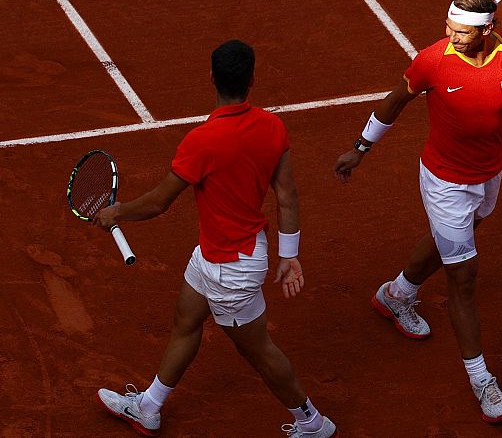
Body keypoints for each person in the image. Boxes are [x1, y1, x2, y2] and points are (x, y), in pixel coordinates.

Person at [334, 0, 502, 423]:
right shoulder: (433, 60)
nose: (450, 37)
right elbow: (394, 102)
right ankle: (481, 379)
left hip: (489, 176)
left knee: (451, 240)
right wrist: (360, 148)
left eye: (461, 32)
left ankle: (396, 295)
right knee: (464, 277)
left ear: (487, 29)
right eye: (449, 28)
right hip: (444, 183)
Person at [93, 40, 338, 438]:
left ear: (211, 78)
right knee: (187, 320)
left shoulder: (202, 140)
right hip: (217, 255)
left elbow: (159, 202)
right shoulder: (272, 127)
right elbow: (287, 195)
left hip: (232, 269)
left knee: (258, 350)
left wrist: (116, 212)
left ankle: (313, 423)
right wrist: (288, 254)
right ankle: (148, 408)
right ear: (251, 80)